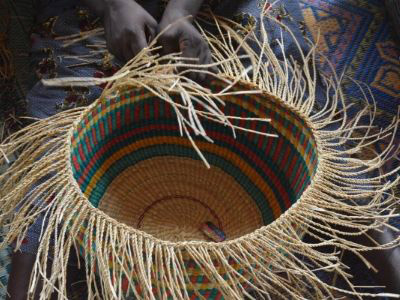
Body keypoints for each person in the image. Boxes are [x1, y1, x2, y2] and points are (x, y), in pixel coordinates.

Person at [4, 0, 400, 299]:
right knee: (56, 143)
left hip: (212, 9)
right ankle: (29, 283)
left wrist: (180, 10)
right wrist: (113, 5)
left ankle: (379, 249)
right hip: (87, 13)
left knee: (285, 99)